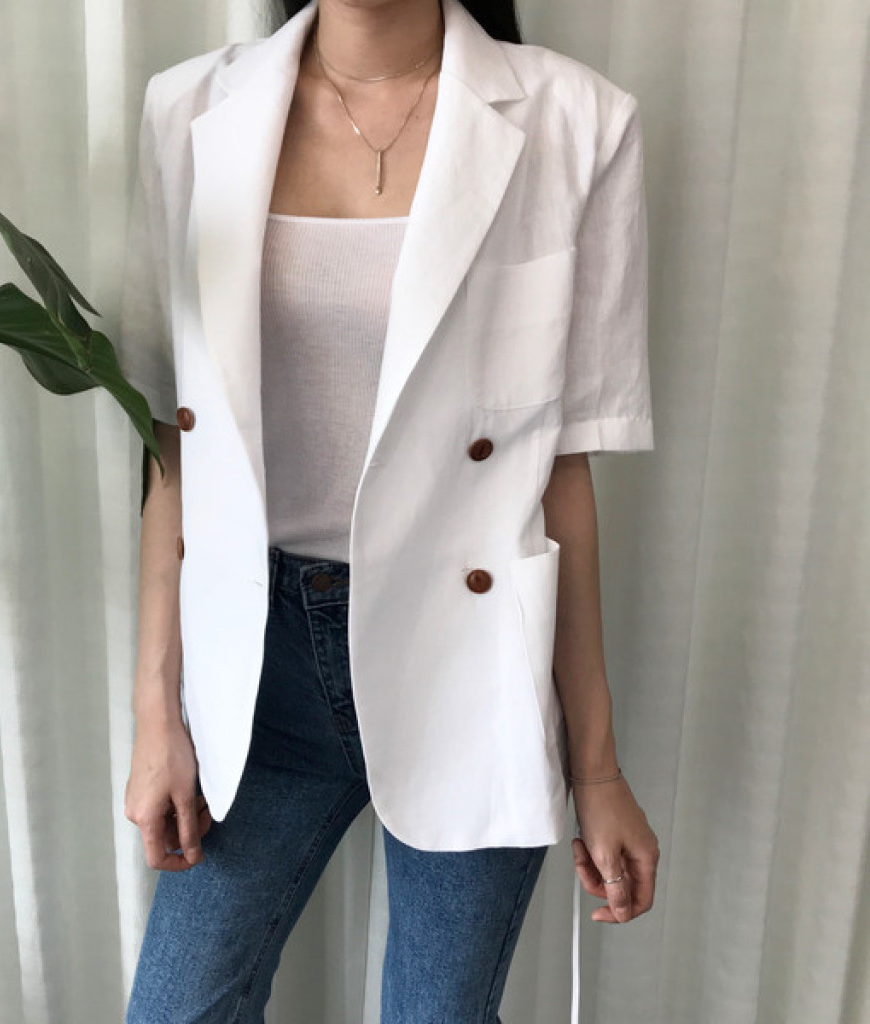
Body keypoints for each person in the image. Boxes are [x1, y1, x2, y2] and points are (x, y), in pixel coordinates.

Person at [119, 0, 660, 1021]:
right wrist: (157, 714)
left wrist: (598, 770)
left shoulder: (577, 121)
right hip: (259, 664)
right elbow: (170, 441)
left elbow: (561, 472)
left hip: (472, 659)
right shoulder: (188, 110)